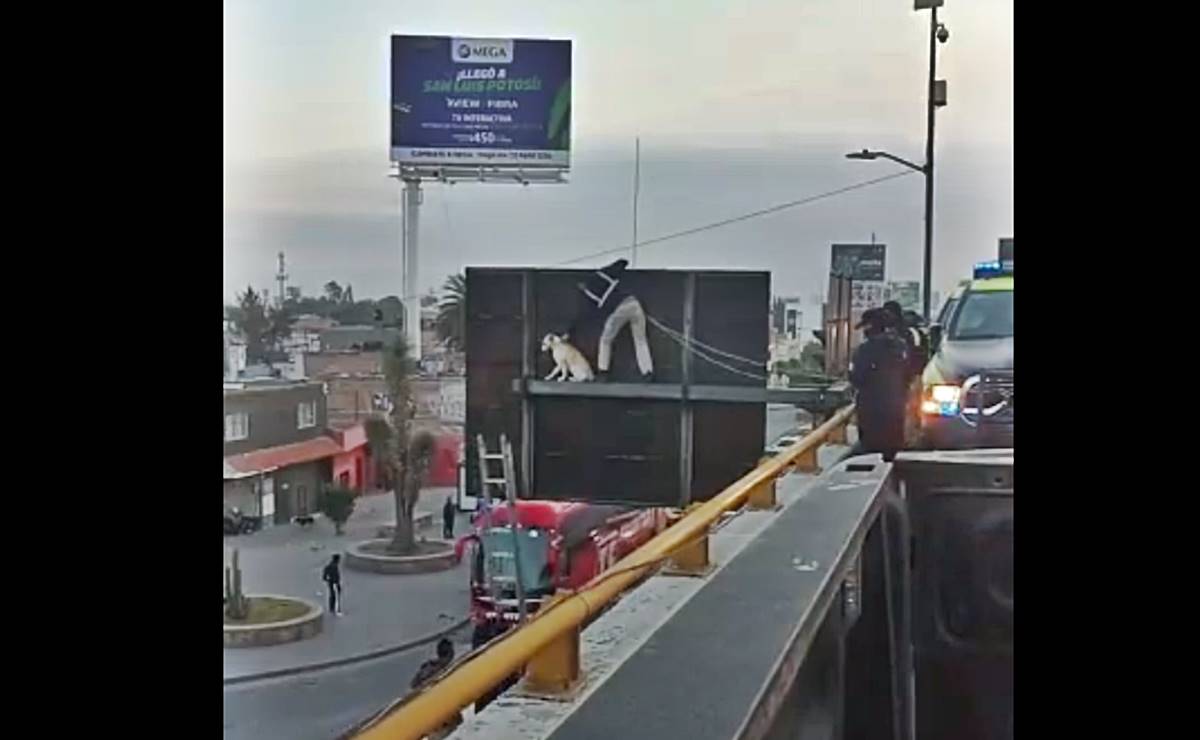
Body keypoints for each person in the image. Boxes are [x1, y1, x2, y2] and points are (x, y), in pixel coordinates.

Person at [569, 258, 654, 382]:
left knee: (605, 340)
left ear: (581, 284)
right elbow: (622, 263)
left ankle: (603, 372)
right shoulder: (602, 275)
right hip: (634, 303)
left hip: (618, 310)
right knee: (641, 340)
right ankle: (648, 372)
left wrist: (570, 330)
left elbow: (588, 316)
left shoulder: (588, 296)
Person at [848, 309, 909, 462]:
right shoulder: (901, 346)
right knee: (893, 451)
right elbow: (909, 374)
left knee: (871, 455)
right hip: (897, 406)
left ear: (871, 327)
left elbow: (857, 378)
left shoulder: (865, 350)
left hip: (871, 410)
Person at [411, 638, 462, 738]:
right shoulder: (445, 672)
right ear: (450, 653)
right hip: (441, 720)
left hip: (429, 718)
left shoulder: (427, 667)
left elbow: (413, 686)